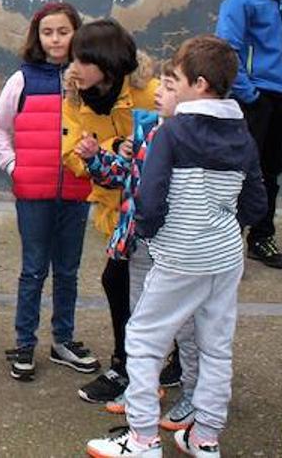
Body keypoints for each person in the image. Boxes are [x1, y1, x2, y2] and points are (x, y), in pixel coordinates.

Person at [85, 36, 265, 458]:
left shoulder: (173, 131)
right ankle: (204, 437)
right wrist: (223, 228)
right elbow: (256, 201)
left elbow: (149, 198)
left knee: (144, 340)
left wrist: (156, 233)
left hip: (181, 256)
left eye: (177, 78)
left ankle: (143, 439)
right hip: (225, 258)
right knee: (215, 346)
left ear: (199, 84)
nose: (171, 85)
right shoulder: (242, 132)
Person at [81, 65, 200, 429]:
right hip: (139, 244)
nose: (158, 94)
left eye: (167, 88)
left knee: (187, 327)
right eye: (160, 86)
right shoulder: (150, 129)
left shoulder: (192, 139)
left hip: (175, 249)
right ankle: (142, 390)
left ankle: (195, 397)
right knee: (142, 324)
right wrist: (94, 157)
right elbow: (124, 175)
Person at [0, 1, 94, 383]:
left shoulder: (88, 79)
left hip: (76, 190)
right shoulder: (22, 79)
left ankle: (63, 340)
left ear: (76, 34)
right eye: (48, 32)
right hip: (33, 193)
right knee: (34, 270)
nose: (55, 39)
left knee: (67, 270)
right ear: (38, 36)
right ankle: (24, 343)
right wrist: (13, 166)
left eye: (63, 32)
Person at [215, 0, 282, 270]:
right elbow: (227, 48)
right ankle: (227, 242)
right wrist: (249, 93)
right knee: (242, 170)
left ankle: (262, 238)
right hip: (255, 98)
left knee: (272, 172)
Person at [64, 20, 141, 404]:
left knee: (138, 287)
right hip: (116, 212)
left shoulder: (149, 94)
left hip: (155, 213)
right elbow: (72, 154)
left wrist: (112, 148)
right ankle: (125, 364)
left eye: (82, 60)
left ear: (108, 66)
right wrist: (110, 150)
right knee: (119, 282)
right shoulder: (76, 98)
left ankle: (135, 365)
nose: (72, 67)